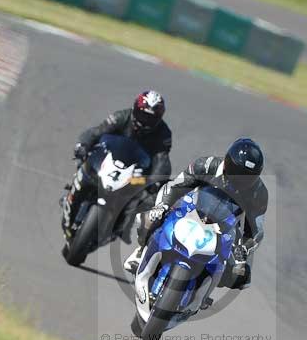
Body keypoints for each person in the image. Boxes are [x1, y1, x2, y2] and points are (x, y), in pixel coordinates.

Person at [124, 137, 268, 291]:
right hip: (191, 211)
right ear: (227, 163)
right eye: (237, 171)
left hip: (225, 230)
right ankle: (141, 251)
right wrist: (162, 206)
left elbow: (256, 230)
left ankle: (203, 291)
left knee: (241, 276)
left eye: (247, 176)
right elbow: (176, 186)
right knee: (150, 218)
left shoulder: (258, 193)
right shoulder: (206, 165)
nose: (240, 178)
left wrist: (243, 249)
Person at [62, 90, 172, 241]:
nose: (145, 121)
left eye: (150, 118)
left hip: (136, 173)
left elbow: (162, 159)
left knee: (144, 198)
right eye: (142, 115)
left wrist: (156, 180)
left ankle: (123, 225)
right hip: (108, 159)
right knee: (84, 163)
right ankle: (73, 193)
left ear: (158, 119)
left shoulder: (163, 134)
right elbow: (97, 132)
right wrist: (83, 145)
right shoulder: (122, 117)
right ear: (135, 110)